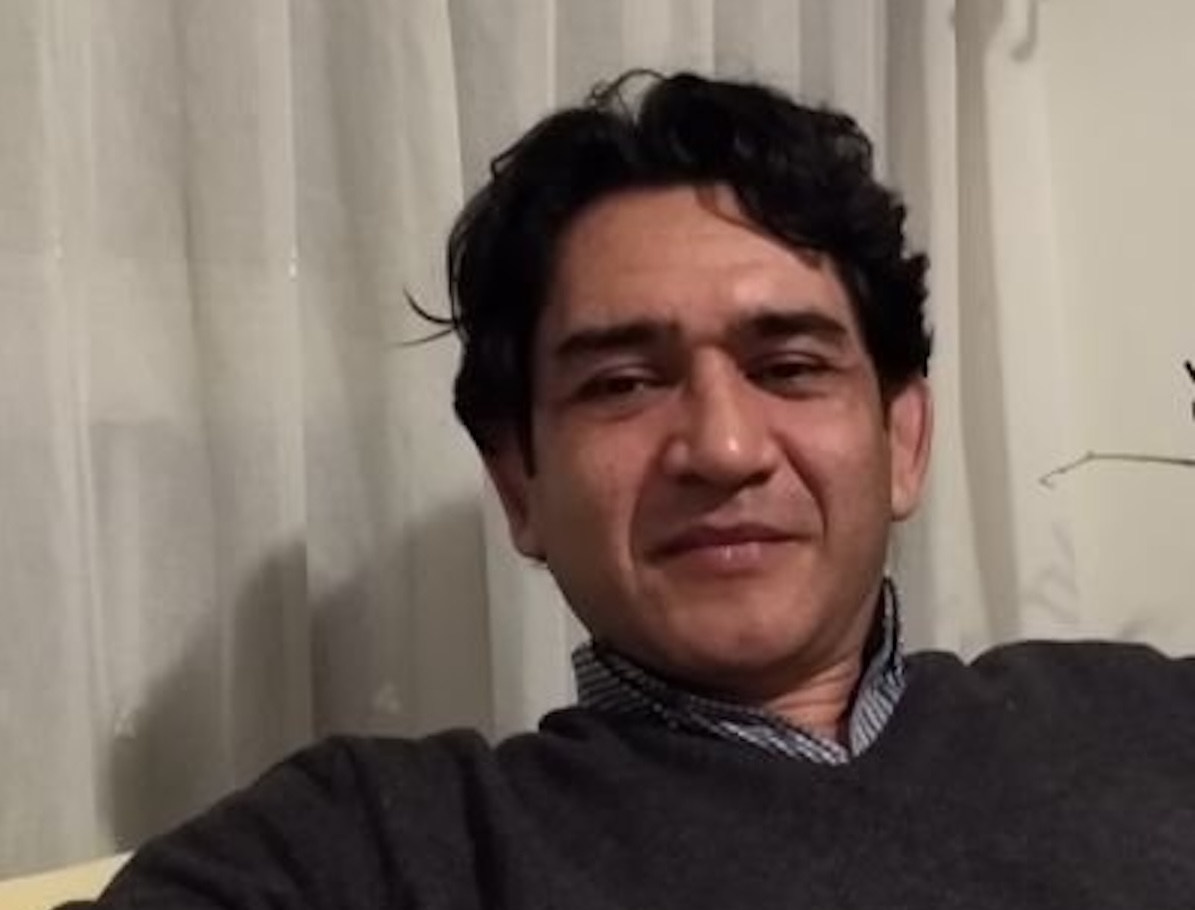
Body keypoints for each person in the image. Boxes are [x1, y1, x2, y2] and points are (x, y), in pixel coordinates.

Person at [66, 71, 1195, 910]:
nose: (722, 446)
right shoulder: (375, 849)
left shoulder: (1146, 717)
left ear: (903, 438)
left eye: (788, 366)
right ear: (518, 482)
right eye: (621, 383)